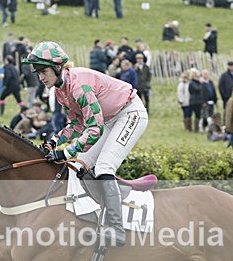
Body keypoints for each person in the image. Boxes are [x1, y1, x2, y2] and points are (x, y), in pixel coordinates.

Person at [22, 41, 149, 247]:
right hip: (106, 120)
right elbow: (76, 124)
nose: (41, 77)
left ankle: (116, 229)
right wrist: (54, 142)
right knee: (77, 166)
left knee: (104, 167)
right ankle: (90, 216)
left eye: (43, 71)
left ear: (57, 67)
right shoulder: (60, 90)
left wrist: (65, 152)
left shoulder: (79, 85)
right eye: (37, 72)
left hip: (130, 114)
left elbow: (94, 129)